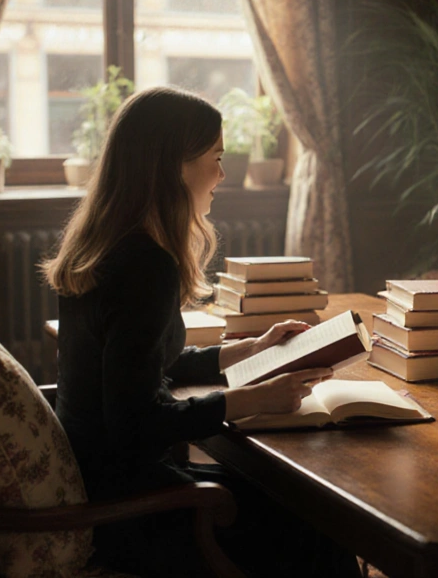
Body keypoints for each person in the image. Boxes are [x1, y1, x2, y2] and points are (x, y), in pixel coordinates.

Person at [43, 86, 360, 577]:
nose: (222, 173)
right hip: (132, 512)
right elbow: (135, 422)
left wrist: (246, 350)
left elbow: (141, 368)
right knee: (320, 526)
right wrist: (255, 399)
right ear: (174, 165)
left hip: (107, 482)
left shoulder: (106, 247)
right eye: (215, 157)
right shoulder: (145, 265)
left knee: (292, 503)